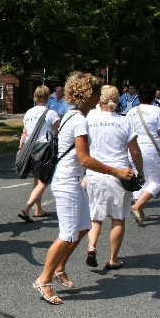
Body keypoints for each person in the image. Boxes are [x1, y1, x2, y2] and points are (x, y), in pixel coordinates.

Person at [33, 72, 134, 305]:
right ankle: (43, 279)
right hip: (67, 182)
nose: (99, 99)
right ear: (89, 95)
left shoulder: (72, 114)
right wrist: (116, 171)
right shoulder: (79, 120)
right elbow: (85, 159)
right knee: (67, 234)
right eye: (97, 94)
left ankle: (59, 268)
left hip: (72, 180)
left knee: (83, 228)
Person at [85, 85, 145, 270]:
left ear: (99, 101)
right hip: (119, 173)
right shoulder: (125, 121)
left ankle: (92, 247)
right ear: (118, 101)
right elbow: (135, 151)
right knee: (118, 217)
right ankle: (113, 258)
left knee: (95, 216)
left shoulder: (90, 120)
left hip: (95, 171)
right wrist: (141, 173)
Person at [126, 83, 160, 225]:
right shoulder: (157, 111)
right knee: (156, 181)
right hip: (151, 149)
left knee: (140, 179)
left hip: (134, 149)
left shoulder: (131, 112)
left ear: (138, 96)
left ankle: (140, 212)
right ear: (153, 97)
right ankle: (137, 206)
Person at [17, 85, 60, 222]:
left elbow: (25, 133)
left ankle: (39, 209)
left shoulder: (28, 113)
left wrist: (20, 149)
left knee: (36, 180)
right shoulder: (51, 113)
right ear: (49, 97)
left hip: (29, 149)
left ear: (35, 97)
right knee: (44, 181)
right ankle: (27, 207)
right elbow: (57, 132)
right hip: (44, 149)